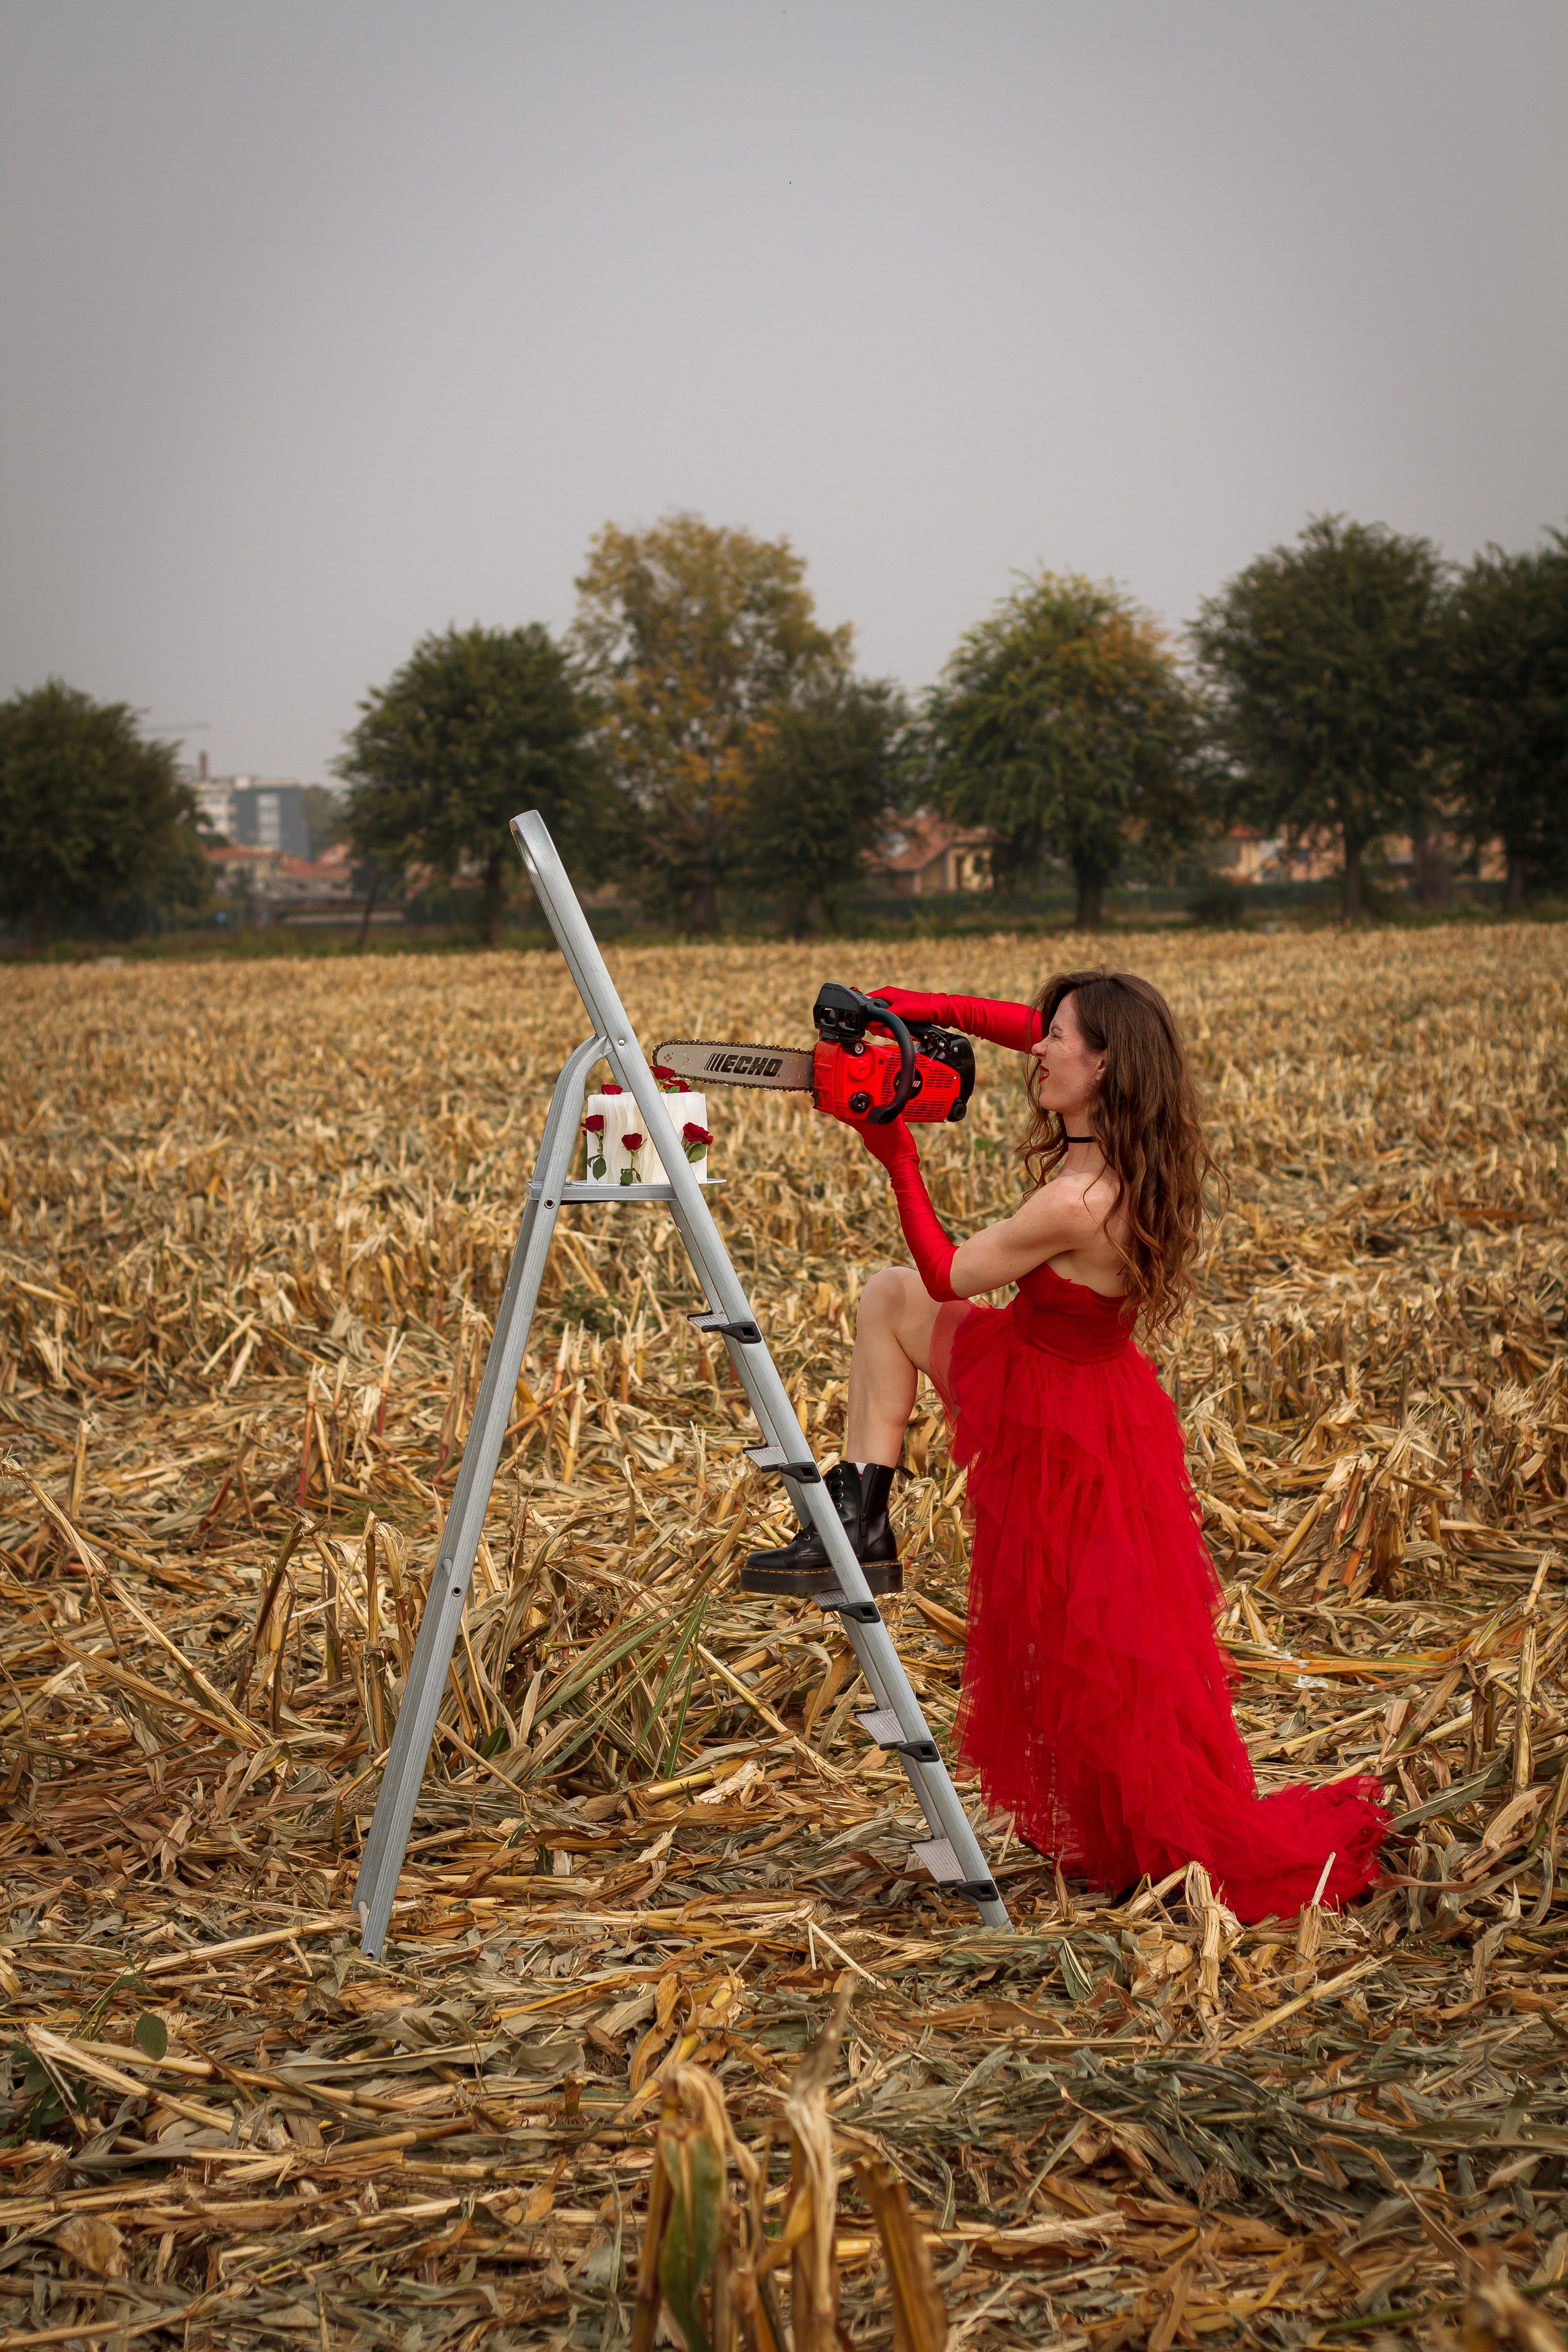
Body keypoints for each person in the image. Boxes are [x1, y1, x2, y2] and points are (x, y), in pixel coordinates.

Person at [745, 973, 1387, 1923]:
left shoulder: (1079, 1198)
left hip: (1042, 1400)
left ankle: (862, 1516)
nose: (1037, 1050)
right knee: (1116, 1640)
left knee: (896, 1296)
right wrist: (925, 1007)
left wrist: (895, 1152)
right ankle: (860, 1512)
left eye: (1060, 1041)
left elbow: (949, 1272)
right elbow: (1030, 1029)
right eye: (1041, 1035)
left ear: (1106, 1066)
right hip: (1103, 1391)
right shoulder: (1134, 1154)